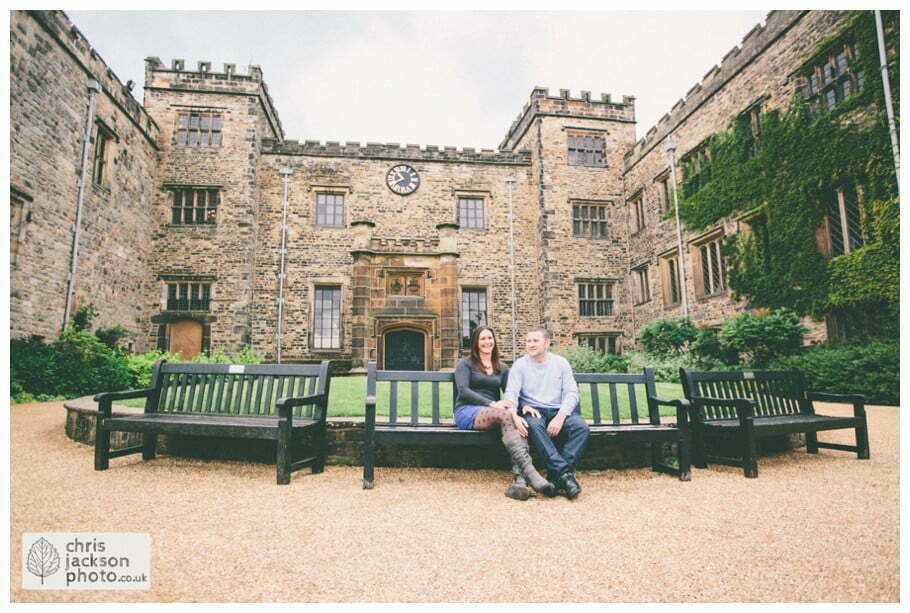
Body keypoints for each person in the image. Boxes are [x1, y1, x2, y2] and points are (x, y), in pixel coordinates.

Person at [454, 325, 556, 500]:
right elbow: (463, 390)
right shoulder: (466, 363)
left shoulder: (501, 367)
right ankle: (532, 475)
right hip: (468, 411)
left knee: (518, 421)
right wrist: (492, 403)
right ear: (476, 343)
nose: (487, 342)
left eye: (490, 338)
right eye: (483, 339)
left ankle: (520, 483)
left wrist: (523, 405)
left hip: (496, 414)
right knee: (507, 415)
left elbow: (512, 393)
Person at [504, 327, 589, 499]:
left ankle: (557, 477)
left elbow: (572, 393)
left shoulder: (561, 363)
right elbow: (511, 394)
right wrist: (515, 415)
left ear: (547, 343)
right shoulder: (520, 365)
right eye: (528, 341)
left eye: (535, 341)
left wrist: (560, 417)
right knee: (534, 427)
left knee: (581, 428)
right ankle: (565, 476)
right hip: (535, 411)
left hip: (560, 411)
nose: (531, 344)